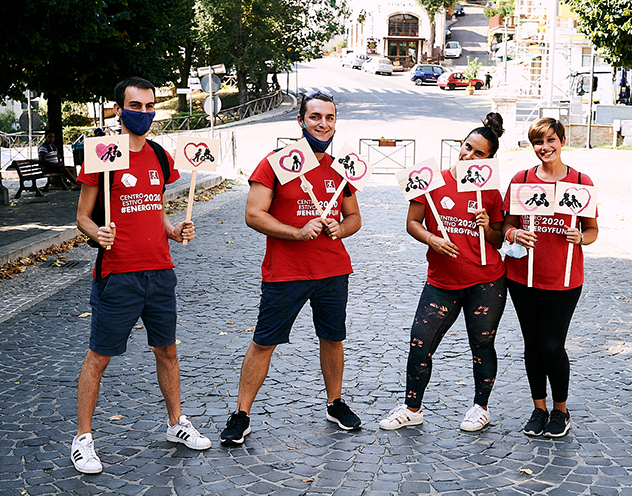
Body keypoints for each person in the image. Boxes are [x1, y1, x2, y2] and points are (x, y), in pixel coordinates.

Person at [71, 77, 210, 474]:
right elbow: (82, 215)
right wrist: (96, 231)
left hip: (160, 273)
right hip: (117, 274)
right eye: (136, 106)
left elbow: (156, 209)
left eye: (150, 107)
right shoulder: (102, 155)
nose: (144, 114)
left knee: (167, 350)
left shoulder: (161, 157)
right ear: (118, 110)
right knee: (99, 357)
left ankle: (175, 423)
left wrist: (173, 230)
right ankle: (83, 439)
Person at [220, 91, 363, 445]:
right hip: (285, 272)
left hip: (332, 270)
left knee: (332, 338)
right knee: (264, 342)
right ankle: (241, 414)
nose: (323, 124)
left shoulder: (340, 167)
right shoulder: (275, 163)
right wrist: (297, 233)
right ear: (300, 121)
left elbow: (355, 217)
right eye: (315, 117)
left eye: (329, 117)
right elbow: (253, 214)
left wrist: (340, 229)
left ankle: (335, 402)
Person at [379, 113, 507, 432]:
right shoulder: (431, 180)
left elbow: (499, 239)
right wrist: (432, 239)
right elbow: (412, 223)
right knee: (420, 343)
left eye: (479, 153)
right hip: (442, 281)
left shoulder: (490, 191)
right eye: (467, 147)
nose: (469, 155)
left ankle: (480, 407)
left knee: (482, 345)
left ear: (489, 159)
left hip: (486, 281)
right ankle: (412, 408)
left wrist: (487, 226)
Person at [501, 117, 599, 438]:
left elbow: (593, 230)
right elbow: (506, 225)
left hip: (564, 277)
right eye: (538, 142)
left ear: (562, 140)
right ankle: (539, 408)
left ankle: (561, 410)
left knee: (552, 345)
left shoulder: (581, 182)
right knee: (532, 344)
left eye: (551, 140)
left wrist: (580, 237)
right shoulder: (522, 179)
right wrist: (515, 233)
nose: (545, 148)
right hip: (522, 277)